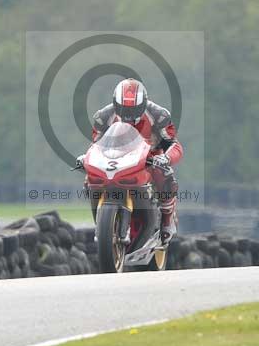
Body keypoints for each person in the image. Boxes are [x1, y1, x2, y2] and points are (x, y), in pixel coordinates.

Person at [78, 79, 183, 242]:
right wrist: (86, 159)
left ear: (143, 104)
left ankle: (167, 220)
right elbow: (96, 145)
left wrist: (166, 157)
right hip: (116, 158)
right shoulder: (103, 117)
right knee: (89, 179)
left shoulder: (159, 115)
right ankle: (102, 220)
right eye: (123, 109)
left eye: (134, 109)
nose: (128, 115)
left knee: (164, 173)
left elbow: (174, 144)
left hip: (149, 159)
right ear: (115, 104)